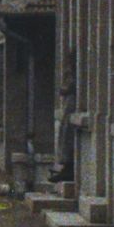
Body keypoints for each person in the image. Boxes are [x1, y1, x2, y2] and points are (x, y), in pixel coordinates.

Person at [49, 49, 77, 185]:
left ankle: (68, 166)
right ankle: (66, 165)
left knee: (66, 131)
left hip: (72, 106)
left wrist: (64, 89)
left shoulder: (74, 92)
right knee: (64, 130)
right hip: (69, 107)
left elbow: (68, 86)